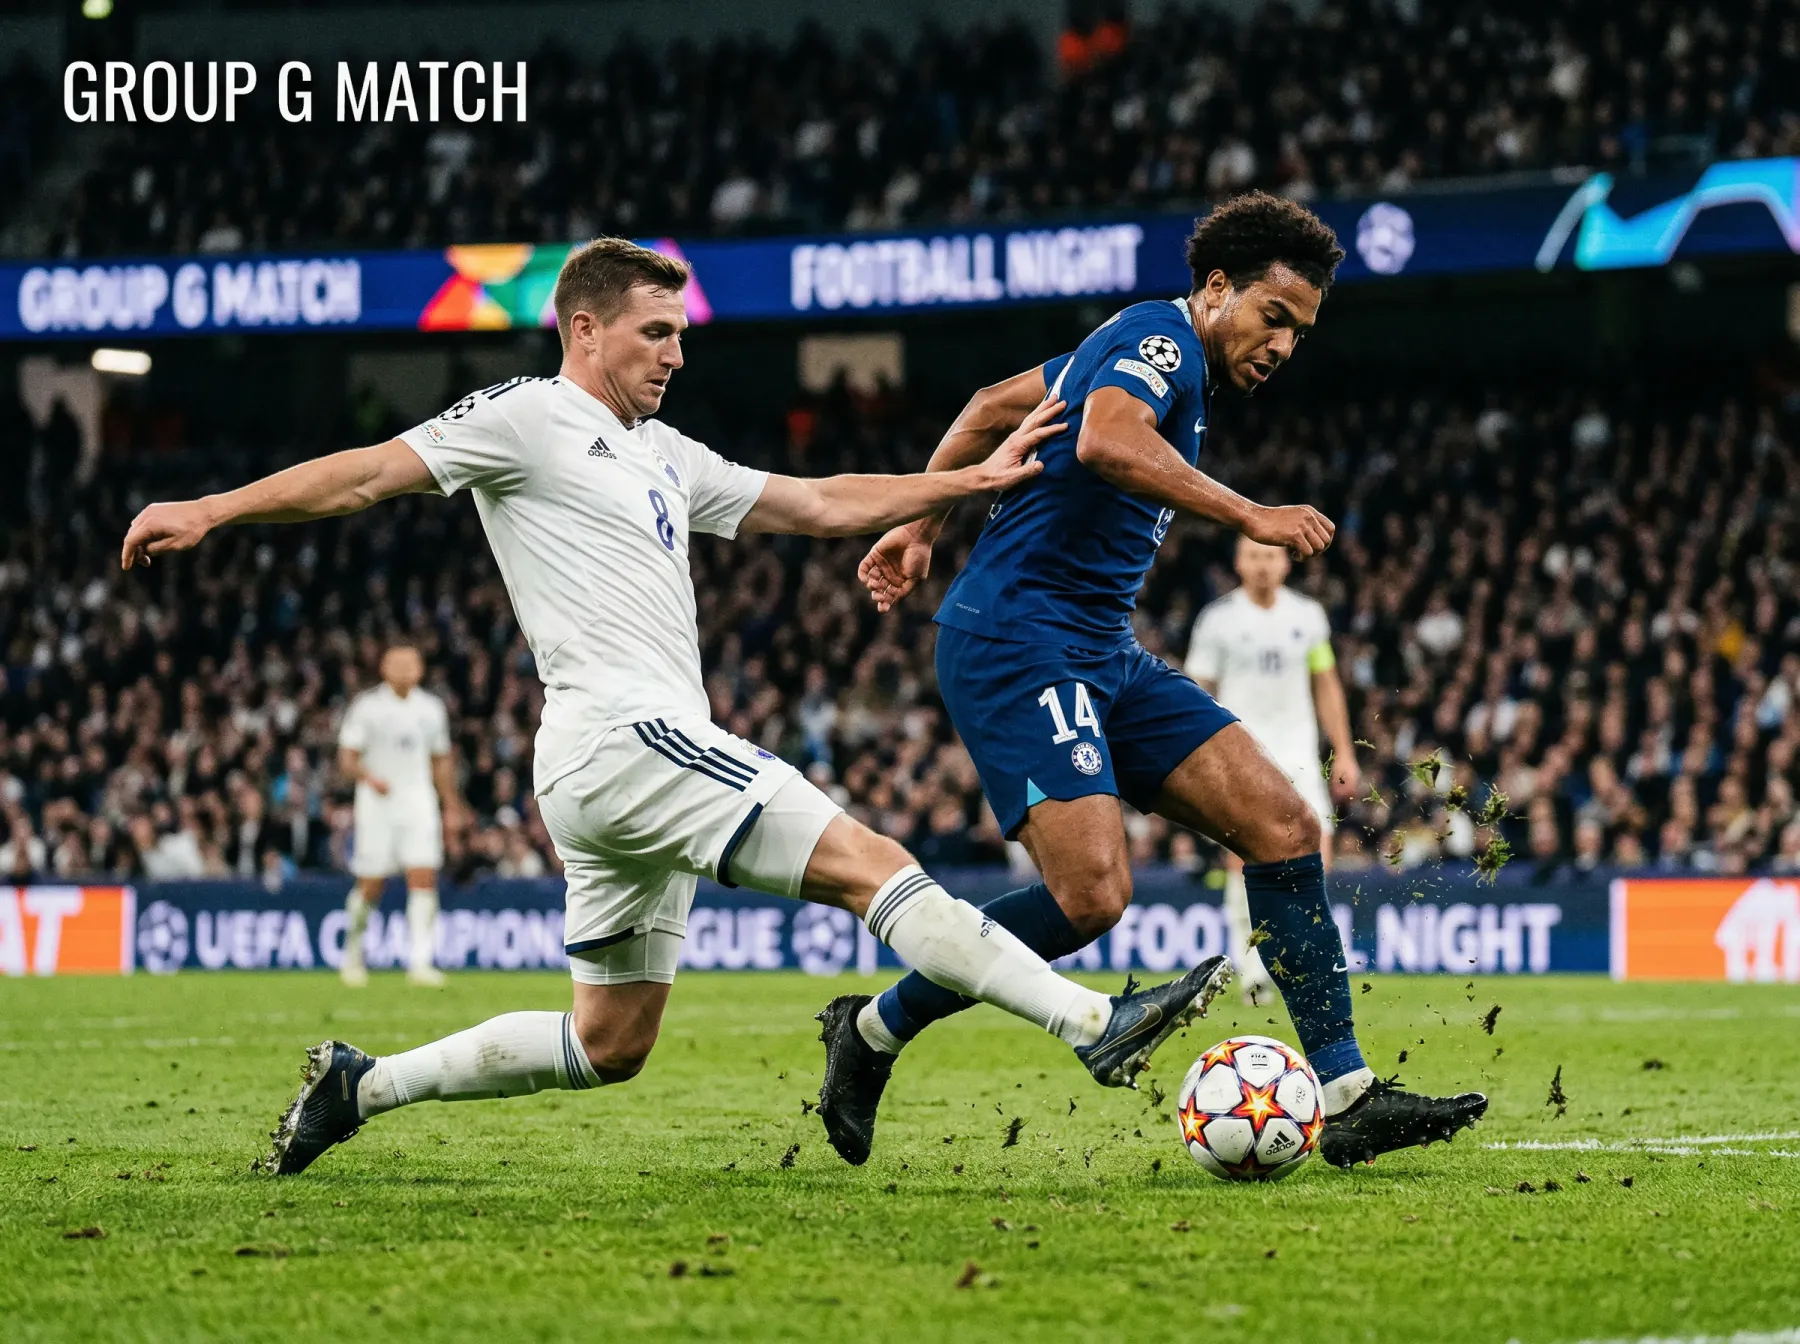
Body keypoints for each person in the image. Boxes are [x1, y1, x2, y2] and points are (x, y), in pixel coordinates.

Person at [119, 237, 1230, 1177]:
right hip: (626, 735)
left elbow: (810, 500)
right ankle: (1092, 1021)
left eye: (682, 334)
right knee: (873, 862)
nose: (677, 353)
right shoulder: (525, 416)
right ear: (584, 329)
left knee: (609, 1043)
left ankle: (361, 1088)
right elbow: (366, 474)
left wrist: (962, 486)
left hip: (609, 766)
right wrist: (213, 510)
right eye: (657, 332)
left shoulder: (661, 453)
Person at [834, 191, 1486, 1169]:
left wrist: (924, 524)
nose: (1283, 346)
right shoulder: (1160, 341)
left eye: (1301, 332)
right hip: (1017, 640)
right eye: (1274, 317)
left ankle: (1345, 1092)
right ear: (1216, 288)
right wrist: (1250, 513)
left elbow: (984, 411)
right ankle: (873, 1030)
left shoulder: (1134, 356)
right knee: (1091, 895)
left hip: (1099, 649)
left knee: (1282, 825)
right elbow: (1104, 441)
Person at [1185, 535, 1360, 1004]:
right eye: (1254, 555)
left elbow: (1326, 685)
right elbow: (1195, 692)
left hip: (1299, 751)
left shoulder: (1307, 617)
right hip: (1241, 754)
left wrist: (1344, 750)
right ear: (1240, 562)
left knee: (1317, 855)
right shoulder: (1218, 621)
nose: (1263, 564)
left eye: (1271, 555)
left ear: (1286, 562)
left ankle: (1307, 961)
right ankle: (1255, 971)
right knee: (1243, 860)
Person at [336, 643, 459, 989]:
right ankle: (353, 954)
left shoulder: (431, 709)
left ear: (420, 669)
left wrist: (450, 804)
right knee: (371, 882)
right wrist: (368, 777)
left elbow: (441, 760)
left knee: (423, 876)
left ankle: (420, 962)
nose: (406, 669)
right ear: (384, 668)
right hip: (377, 804)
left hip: (418, 801)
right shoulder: (368, 707)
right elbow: (347, 758)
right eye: (398, 663)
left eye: (412, 663)